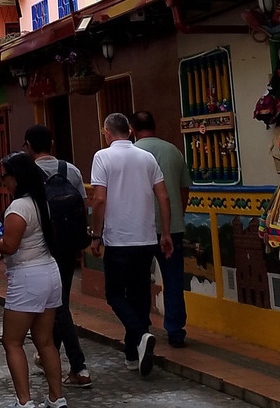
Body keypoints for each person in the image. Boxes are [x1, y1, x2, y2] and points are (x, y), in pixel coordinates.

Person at [0, 152, 65, 408]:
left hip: (27, 277)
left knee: (11, 341)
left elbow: (10, 246)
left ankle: (24, 401)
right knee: (45, 341)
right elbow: (25, 236)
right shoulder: (40, 202)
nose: (3, 183)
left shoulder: (19, 206)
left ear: (17, 176)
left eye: (4, 177)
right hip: (49, 273)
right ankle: (57, 397)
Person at [89, 113, 173, 377]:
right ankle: (132, 355)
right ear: (129, 131)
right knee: (138, 296)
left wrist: (96, 234)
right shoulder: (147, 158)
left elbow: (99, 199)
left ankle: (140, 334)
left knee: (114, 294)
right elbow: (163, 196)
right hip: (146, 238)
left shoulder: (102, 157)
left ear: (107, 133)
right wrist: (166, 233)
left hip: (118, 239)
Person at [22, 124, 91, 388]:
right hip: (69, 244)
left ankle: (79, 367)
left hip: (42, 246)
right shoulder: (70, 170)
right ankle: (46, 355)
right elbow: (82, 206)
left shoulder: (28, 173)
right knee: (58, 301)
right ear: (51, 143)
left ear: (28, 145)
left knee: (58, 305)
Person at [131, 110, 191, 348]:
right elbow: (185, 188)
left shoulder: (133, 154)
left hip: (141, 228)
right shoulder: (173, 151)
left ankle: (143, 328)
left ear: (132, 131)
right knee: (174, 279)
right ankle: (176, 330)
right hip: (173, 227)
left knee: (139, 280)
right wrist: (178, 213)